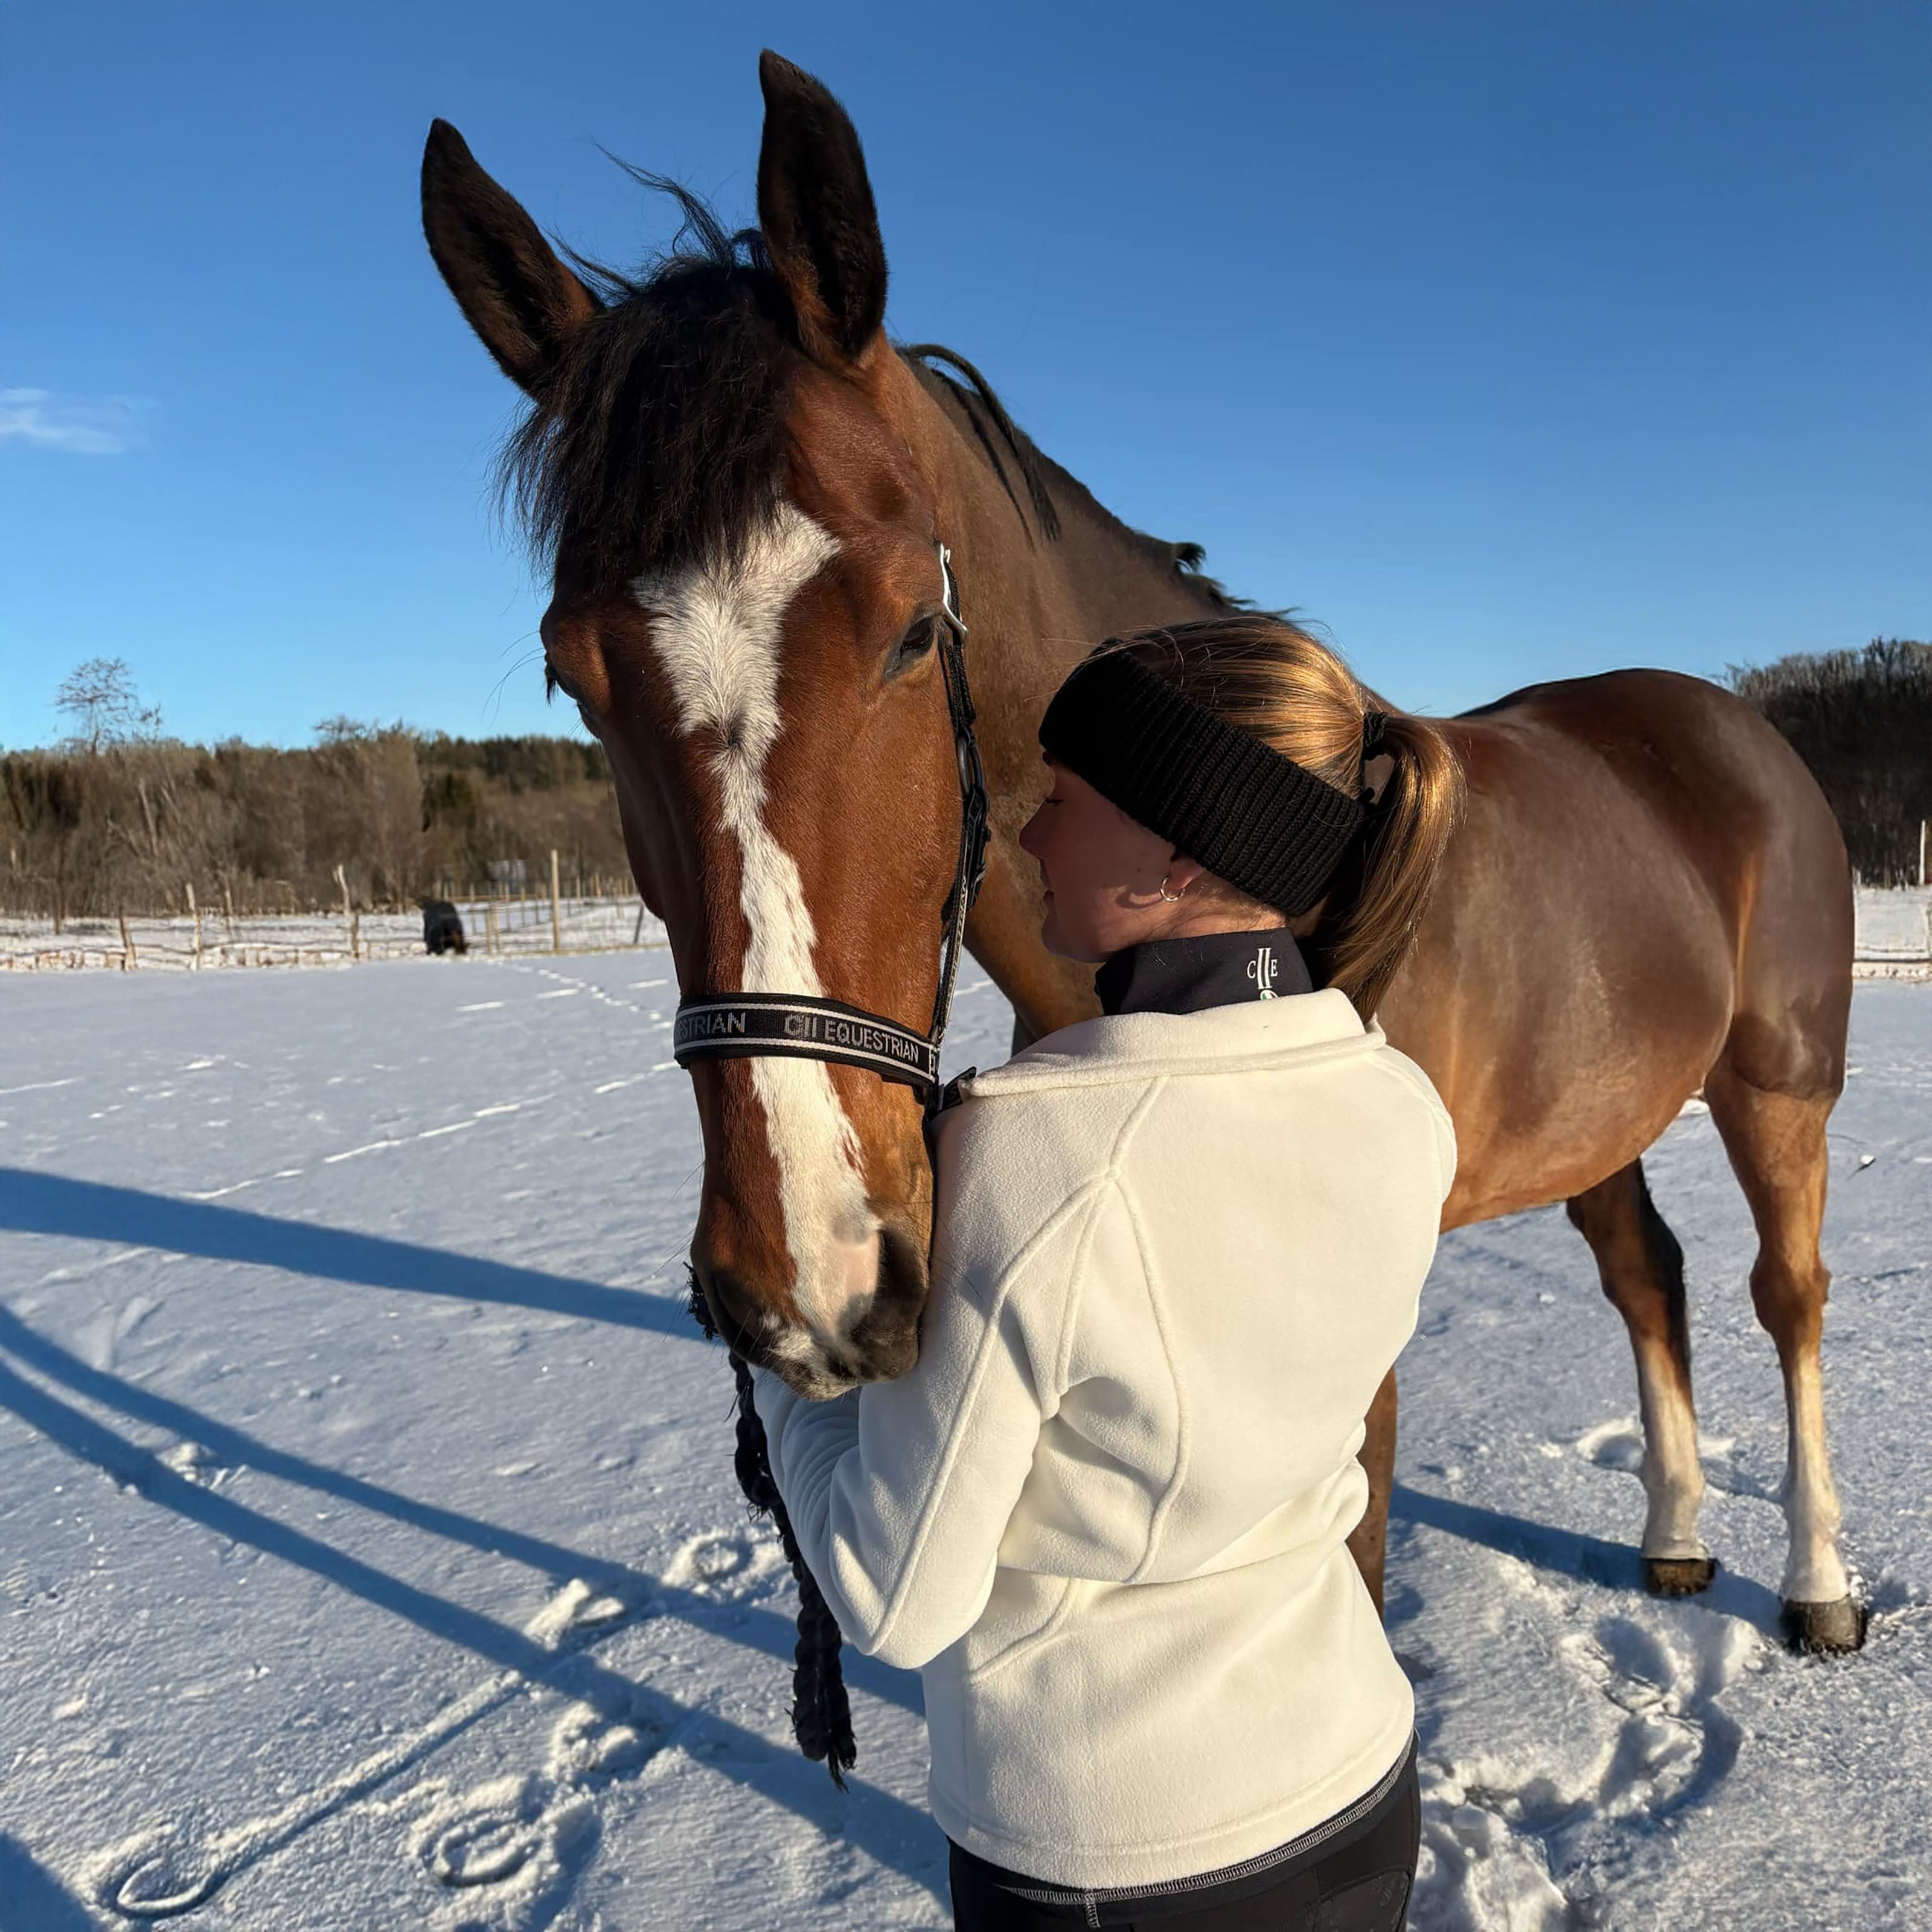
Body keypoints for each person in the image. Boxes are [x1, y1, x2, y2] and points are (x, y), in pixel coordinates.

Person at [752, 614, 1465, 1930]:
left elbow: (893, 1595)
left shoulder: (1033, 1162)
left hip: (1117, 1859)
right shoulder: (1403, 1107)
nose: (1024, 835)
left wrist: (788, 1379)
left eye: (1065, 800)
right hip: (1359, 1786)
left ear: (1181, 845)